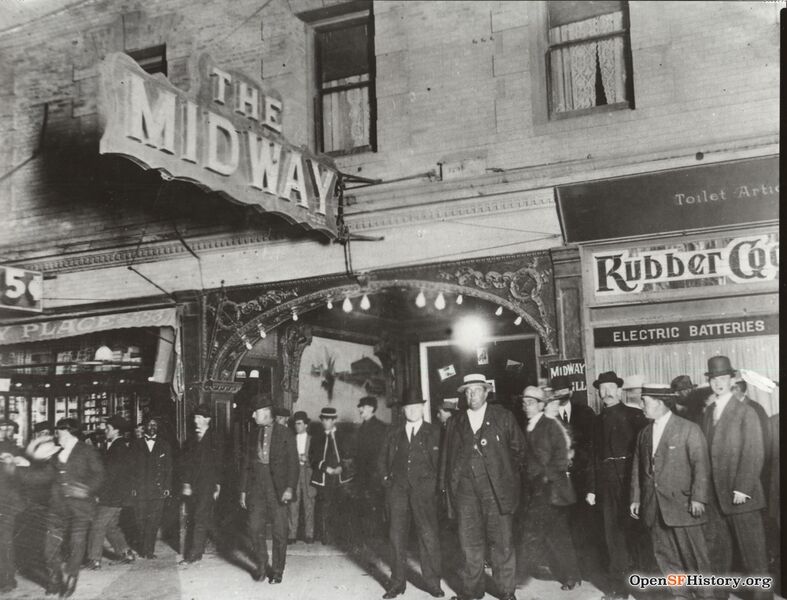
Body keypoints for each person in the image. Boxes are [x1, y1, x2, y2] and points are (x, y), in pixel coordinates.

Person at [440, 373, 526, 600]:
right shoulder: (454, 422)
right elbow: (447, 460)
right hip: (465, 492)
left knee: (502, 542)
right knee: (469, 543)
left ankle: (506, 591)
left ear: (487, 392)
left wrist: (504, 475)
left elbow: (519, 451)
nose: (472, 395)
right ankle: (472, 592)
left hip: (495, 491)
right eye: (468, 391)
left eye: (477, 390)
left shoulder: (503, 416)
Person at [630, 384, 713, 600]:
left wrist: (698, 497)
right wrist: (636, 498)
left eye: (644, 402)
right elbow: (638, 468)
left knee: (694, 559)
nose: (641, 407)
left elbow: (701, 465)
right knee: (666, 557)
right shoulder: (644, 433)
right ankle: (681, 595)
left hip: (683, 506)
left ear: (659, 403)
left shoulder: (688, 429)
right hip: (653, 507)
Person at [700, 356, 771, 600]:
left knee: (754, 558)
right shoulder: (709, 412)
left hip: (742, 497)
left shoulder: (745, 412)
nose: (718, 383)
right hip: (716, 498)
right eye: (714, 379)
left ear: (732, 380)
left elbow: (754, 451)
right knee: (718, 556)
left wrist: (743, 488)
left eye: (723, 378)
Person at [586, 371, 648, 600]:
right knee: (613, 539)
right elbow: (593, 457)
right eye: (602, 388)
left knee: (637, 536)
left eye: (611, 387)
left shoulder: (635, 415)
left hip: (632, 485)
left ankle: (643, 590)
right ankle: (618, 590)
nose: (607, 392)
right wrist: (592, 488)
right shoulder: (597, 421)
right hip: (607, 486)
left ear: (619, 390)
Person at [378, 397, 444, 599]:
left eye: (416, 407)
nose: (413, 411)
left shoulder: (434, 432)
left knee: (428, 536)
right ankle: (397, 583)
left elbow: (442, 462)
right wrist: (386, 482)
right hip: (397, 490)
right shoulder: (393, 432)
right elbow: (381, 459)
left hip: (424, 492)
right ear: (403, 410)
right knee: (396, 537)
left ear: (423, 408)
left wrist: (435, 486)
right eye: (409, 407)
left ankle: (433, 583)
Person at [520, 387, 581, 591]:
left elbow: (562, 457)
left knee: (546, 533)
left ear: (541, 405)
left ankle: (523, 574)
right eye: (524, 403)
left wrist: (546, 477)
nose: (526, 406)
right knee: (554, 533)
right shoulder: (529, 426)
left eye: (531, 403)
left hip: (552, 490)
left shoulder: (550, 425)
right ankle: (570, 574)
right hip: (537, 489)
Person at [38, 418, 105, 597]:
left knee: (76, 544)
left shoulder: (87, 451)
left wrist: (86, 489)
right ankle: (54, 578)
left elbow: (99, 474)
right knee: (49, 547)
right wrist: (17, 469)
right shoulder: (56, 455)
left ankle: (71, 577)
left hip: (81, 508)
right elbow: (42, 476)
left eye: (58, 431)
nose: (55, 435)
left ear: (67, 431)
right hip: (57, 508)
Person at [240, 394, 299, 584]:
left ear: (265, 413)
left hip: (278, 488)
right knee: (254, 526)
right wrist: (242, 490)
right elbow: (246, 465)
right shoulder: (252, 433)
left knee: (280, 531)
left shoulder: (285, 433)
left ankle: (278, 570)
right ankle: (262, 564)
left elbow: (293, 464)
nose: (253, 416)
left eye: (255, 413)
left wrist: (289, 488)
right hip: (256, 487)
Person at [86, 414, 136, 569]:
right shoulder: (118, 446)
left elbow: (110, 475)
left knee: (97, 525)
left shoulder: (118, 447)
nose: (105, 431)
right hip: (118, 495)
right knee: (110, 526)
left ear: (116, 430)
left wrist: (99, 493)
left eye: (108, 428)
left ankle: (94, 559)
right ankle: (126, 552)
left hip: (111, 495)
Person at [180, 405, 224, 564]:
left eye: (199, 418)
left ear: (208, 420)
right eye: (195, 418)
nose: (196, 421)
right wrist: (186, 483)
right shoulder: (191, 440)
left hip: (208, 484)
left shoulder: (215, 438)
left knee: (199, 517)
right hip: (194, 485)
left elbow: (219, 463)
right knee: (203, 518)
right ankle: (223, 542)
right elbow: (186, 463)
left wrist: (217, 485)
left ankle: (194, 554)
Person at [310, 406, 354, 547]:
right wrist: (325, 468)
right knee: (325, 507)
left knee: (341, 507)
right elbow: (313, 458)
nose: (326, 422)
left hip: (341, 478)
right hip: (325, 478)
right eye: (323, 419)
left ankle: (342, 538)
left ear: (334, 420)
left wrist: (342, 467)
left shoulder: (342, 437)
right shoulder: (317, 438)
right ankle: (326, 536)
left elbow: (348, 456)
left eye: (329, 419)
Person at [131, 416, 173, 559]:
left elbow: (169, 468)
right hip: (140, 489)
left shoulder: (164, 445)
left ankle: (149, 551)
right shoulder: (135, 445)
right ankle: (143, 548)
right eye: (149, 424)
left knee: (154, 521)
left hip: (158, 489)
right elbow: (130, 468)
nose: (152, 427)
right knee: (140, 519)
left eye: (155, 425)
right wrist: (132, 487)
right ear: (144, 427)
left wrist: (167, 486)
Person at [354, 395, 389, 541]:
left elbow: (381, 455)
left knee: (377, 509)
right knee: (366, 509)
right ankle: (370, 538)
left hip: (375, 477)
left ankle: (378, 539)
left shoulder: (381, 428)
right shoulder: (363, 427)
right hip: (364, 477)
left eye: (362, 407)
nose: (360, 410)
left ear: (370, 408)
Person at [0, 419, 28, 593]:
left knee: (5, 542)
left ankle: (8, 579)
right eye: (2, 429)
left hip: (7, 504)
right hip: (9, 503)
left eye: (8, 429)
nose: (5, 432)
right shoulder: (16, 450)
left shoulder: (14, 451)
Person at [288, 411, 316, 544]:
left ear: (306, 425)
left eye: (299, 424)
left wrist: (307, 459)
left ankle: (309, 534)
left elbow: (317, 460)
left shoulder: (312, 440)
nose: (296, 426)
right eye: (295, 424)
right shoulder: (291, 439)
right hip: (294, 473)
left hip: (308, 473)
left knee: (309, 503)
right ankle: (291, 534)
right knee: (293, 503)